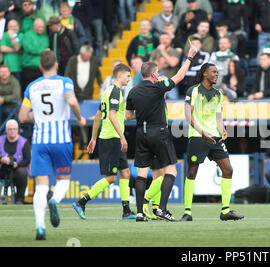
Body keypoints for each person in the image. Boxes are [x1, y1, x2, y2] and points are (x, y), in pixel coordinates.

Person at [125, 41, 199, 222]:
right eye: (157, 72)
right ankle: (162, 209)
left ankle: (140, 212)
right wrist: (189, 56)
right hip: (159, 131)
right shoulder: (159, 86)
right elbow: (180, 75)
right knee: (172, 171)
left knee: (142, 173)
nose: (158, 75)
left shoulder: (133, 92)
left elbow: (128, 116)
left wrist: (143, 115)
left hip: (141, 133)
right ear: (152, 74)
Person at [18, 49, 86, 240]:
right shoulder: (64, 82)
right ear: (57, 65)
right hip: (61, 139)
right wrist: (80, 118)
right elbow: (72, 101)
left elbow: (22, 116)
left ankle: (40, 227)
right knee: (63, 179)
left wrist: (36, 115)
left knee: (40, 186)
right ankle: (55, 200)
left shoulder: (31, 87)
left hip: (40, 142)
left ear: (40, 67)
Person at [72, 64, 137, 221]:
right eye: (128, 76)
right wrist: (122, 136)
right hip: (111, 139)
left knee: (125, 173)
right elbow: (112, 115)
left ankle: (126, 211)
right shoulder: (115, 92)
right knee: (111, 177)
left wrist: (93, 138)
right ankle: (81, 202)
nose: (130, 79)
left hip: (109, 138)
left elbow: (97, 116)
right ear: (119, 75)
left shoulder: (107, 91)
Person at [181, 62, 244, 222]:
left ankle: (225, 210)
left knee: (228, 169)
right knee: (192, 172)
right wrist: (203, 133)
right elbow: (188, 115)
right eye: (214, 72)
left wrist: (222, 129)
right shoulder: (193, 90)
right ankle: (187, 212)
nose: (217, 74)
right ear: (204, 73)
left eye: (217, 72)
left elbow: (218, 117)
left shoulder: (218, 93)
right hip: (197, 136)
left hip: (214, 137)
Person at [0, 119, 30, 204]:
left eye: (14, 129)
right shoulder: (0, 140)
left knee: (22, 172)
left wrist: (17, 164)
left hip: (17, 169)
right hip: (3, 168)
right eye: (10, 129)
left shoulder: (24, 142)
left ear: (17, 130)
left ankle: (20, 199)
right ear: (6, 130)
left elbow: (27, 160)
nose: (12, 131)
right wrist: (1, 159)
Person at [20, 18, 49, 95]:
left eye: (43, 27)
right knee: (29, 91)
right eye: (39, 27)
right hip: (29, 68)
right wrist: (42, 51)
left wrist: (43, 50)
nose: (41, 29)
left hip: (41, 69)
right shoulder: (27, 35)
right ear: (34, 26)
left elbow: (47, 48)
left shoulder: (45, 37)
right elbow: (29, 49)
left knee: (40, 91)